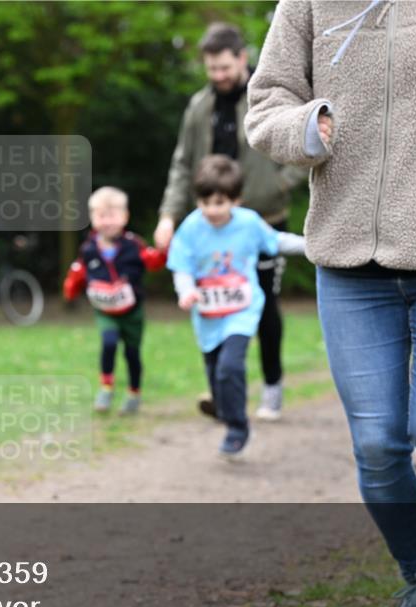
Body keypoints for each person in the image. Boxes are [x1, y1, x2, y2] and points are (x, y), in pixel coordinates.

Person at [245, 0, 416, 607]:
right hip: (349, 263)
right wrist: (306, 126)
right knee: (379, 446)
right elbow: (266, 101)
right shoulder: (305, 3)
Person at [154, 22, 308, 421]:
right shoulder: (199, 107)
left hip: (261, 219)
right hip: (212, 227)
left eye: (225, 67)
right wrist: (169, 215)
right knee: (217, 305)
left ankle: (272, 384)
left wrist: (281, 181)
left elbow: (301, 143)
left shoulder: (269, 97)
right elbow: (182, 165)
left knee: (265, 308)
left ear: (242, 58)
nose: (219, 76)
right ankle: (223, 387)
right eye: (212, 69)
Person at [167, 155, 306, 455]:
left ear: (236, 199)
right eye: (205, 203)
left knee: (230, 367)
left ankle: (237, 428)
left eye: (220, 202)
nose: (212, 210)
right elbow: (181, 266)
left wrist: (311, 245)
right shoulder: (191, 228)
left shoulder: (248, 223)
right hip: (207, 317)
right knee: (217, 376)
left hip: (242, 311)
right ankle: (224, 407)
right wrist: (186, 291)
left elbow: (276, 241)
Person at [63, 186, 167, 415]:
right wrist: (70, 289)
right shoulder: (89, 249)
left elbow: (153, 261)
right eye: (101, 215)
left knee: (132, 353)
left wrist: (163, 250)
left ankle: (133, 393)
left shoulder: (134, 245)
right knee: (109, 343)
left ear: (124, 217)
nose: (107, 221)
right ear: (92, 218)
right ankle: (106, 387)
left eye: (112, 215)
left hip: (132, 312)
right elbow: (79, 271)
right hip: (105, 311)